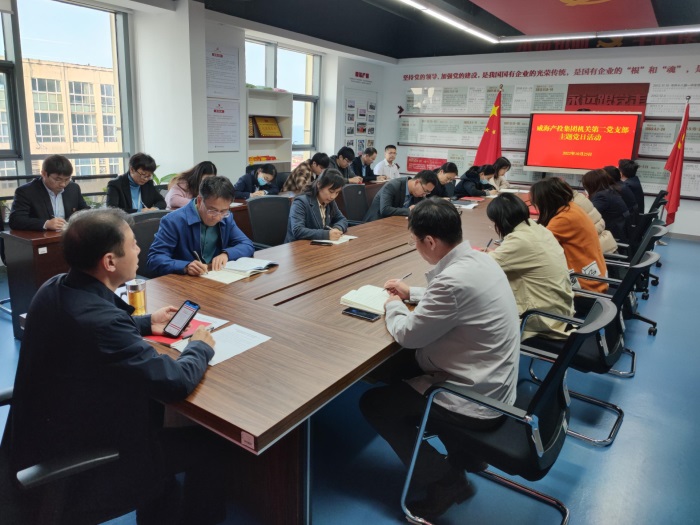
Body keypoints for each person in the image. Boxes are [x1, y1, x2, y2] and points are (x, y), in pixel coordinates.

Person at [4, 207, 230, 524]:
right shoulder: (102, 323)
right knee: (212, 445)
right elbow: (175, 381)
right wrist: (199, 347)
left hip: (38, 439)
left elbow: (87, 329)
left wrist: (146, 322)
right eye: (133, 243)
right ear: (110, 262)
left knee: (158, 422)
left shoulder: (54, 287)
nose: (139, 249)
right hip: (85, 465)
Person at [360, 199, 520, 520]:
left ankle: (445, 482)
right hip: (497, 383)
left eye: (415, 241)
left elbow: (407, 334)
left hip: (475, 399)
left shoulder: (453, 282)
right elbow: (454, 299)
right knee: (398, 369)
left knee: (375, 404)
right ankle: (467, 453)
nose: (416, 247)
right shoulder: (480, 260)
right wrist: (413, 293)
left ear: (430, 241)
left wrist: (393, 304)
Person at [486, 193, 574, 341]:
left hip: (540, 318)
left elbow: (481, 268)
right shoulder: (539, 229)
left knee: (474, 309)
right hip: (560, 310)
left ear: (501, 221)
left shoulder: (519, 240)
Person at [148, 176, 254, 277]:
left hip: (214, 275)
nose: (218, 217)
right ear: (199, 201)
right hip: (183, 281)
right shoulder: (173, 221)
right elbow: (154, 259)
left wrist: (226, 254)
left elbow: (247, 244)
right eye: (212, 210)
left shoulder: (227, 218)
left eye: (223, 211)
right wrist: (185, 266)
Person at [530, 178, 608, 293]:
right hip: (594, 279)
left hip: (584, 288)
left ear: (545, 201)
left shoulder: (564, 219)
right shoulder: (572, 208)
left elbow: (535, 246)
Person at [9, 154, 89, 231]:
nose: (63, 184)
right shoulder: (26, 191)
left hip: (68, 235)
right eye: (58, 179)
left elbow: (85, 211)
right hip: (40, 237)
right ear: (44, 174)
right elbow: (16, 220)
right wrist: (46, 224)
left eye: (67, 179)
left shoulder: (73, 188)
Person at [285, 169, 349, 243]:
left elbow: (342, 219)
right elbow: (298, 230)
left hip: (319, 245)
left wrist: (337, 229)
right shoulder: (300, 202)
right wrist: (327, 234)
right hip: (298, 246)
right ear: (319, 185)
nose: (333, 196)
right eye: (331, 191)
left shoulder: (330, 201)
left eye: (337, 193)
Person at [363, 170, 438, 222]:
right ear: (417, 182)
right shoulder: (392, 185)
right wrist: (409, 210)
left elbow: (425, 207)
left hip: (395, 223)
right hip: (375, 223)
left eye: (428, 193)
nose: (424, 194)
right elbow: (385, 210)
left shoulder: (419, 193)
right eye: (425, 190)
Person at [581, 169, 631, 243]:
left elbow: (588, 215)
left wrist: (584, 201)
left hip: (610, 238)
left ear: (591, 185)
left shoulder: (601, 196)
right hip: (620, 234)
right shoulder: (610, 192)